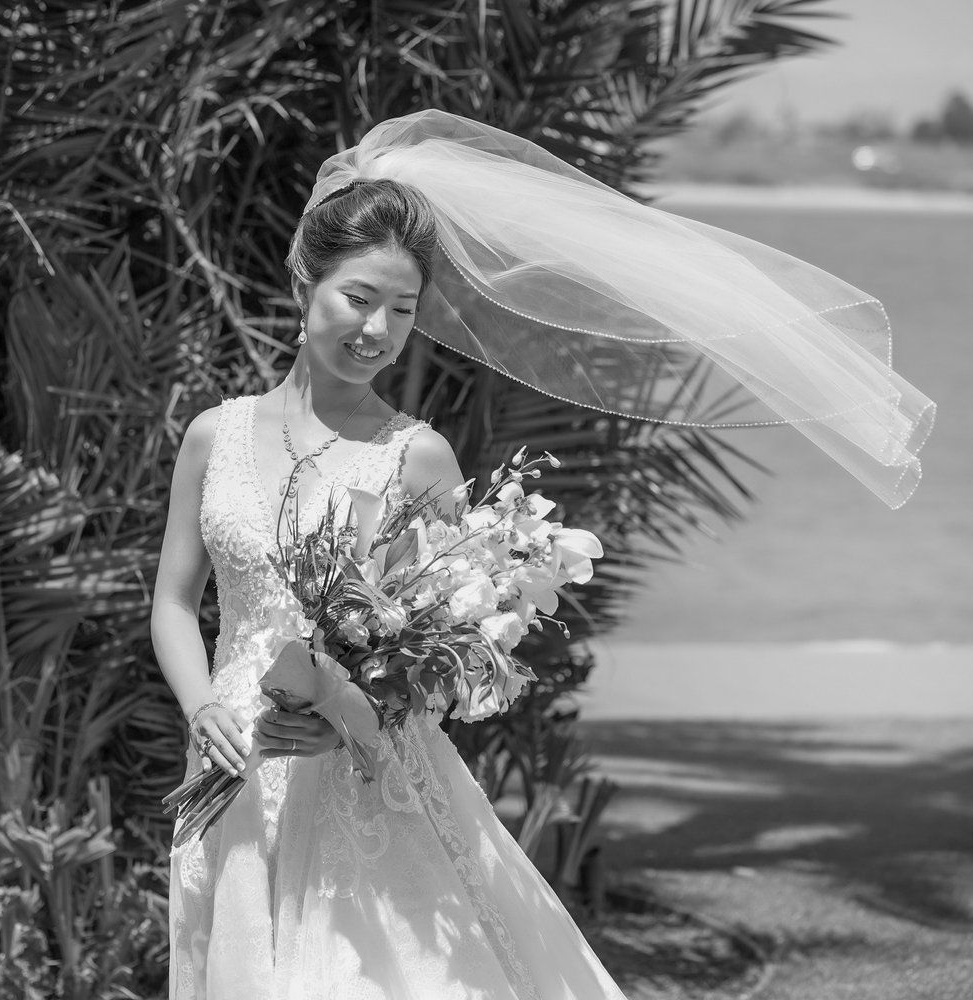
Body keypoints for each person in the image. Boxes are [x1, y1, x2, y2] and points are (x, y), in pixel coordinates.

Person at [151, 177, 631, 999]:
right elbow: (171, 603)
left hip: (365, 785)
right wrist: (203, 710)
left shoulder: (419, 456)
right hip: (232, 774)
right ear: (305, 282)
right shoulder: (212, 435)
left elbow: (451, 650)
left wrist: (347, 722)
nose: (377, 330)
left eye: (402, 310)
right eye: (359, 298)